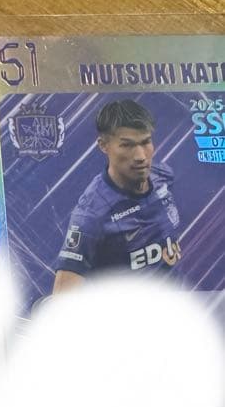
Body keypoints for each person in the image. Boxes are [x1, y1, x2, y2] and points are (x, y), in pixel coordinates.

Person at [53, 100, 182, 294]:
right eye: (127, 145)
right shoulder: (90, 216)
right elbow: (62, 300)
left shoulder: (162, 175)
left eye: (145, 142)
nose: (140, 156)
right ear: (103, 145)